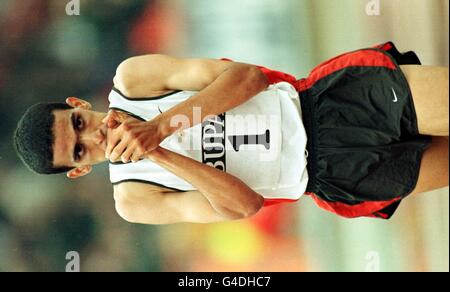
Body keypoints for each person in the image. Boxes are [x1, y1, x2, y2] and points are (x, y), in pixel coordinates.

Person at [14, 42, 449, 224]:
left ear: (78, 105)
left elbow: (248, 78)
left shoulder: (133, 81)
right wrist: (159, 152)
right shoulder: (134, 199)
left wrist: (162, 124)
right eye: (79, 151)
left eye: (78, 125)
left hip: (329, 102)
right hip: (333, 175)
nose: (93, 138)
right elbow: (245, 205)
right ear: (79, 171)